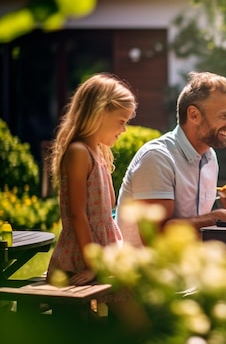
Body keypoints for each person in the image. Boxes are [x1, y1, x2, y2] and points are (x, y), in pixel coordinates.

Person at [116, 71, 226, 247]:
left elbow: (198, 220)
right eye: (224, 116)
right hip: (146, 271)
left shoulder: (209, 156)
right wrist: (222, 215)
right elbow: (156, 238)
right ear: (194, 115)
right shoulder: (157, 158)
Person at [46, 73, 149, 334]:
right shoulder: (79, 152)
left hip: (104, 254)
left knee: (133, 323)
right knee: (136, 325)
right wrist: (93, 264)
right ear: (99, 113)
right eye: (121, 121)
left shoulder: (98, 153)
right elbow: (78, 214)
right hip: (83, 257)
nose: (123, 129)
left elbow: (105, 210)